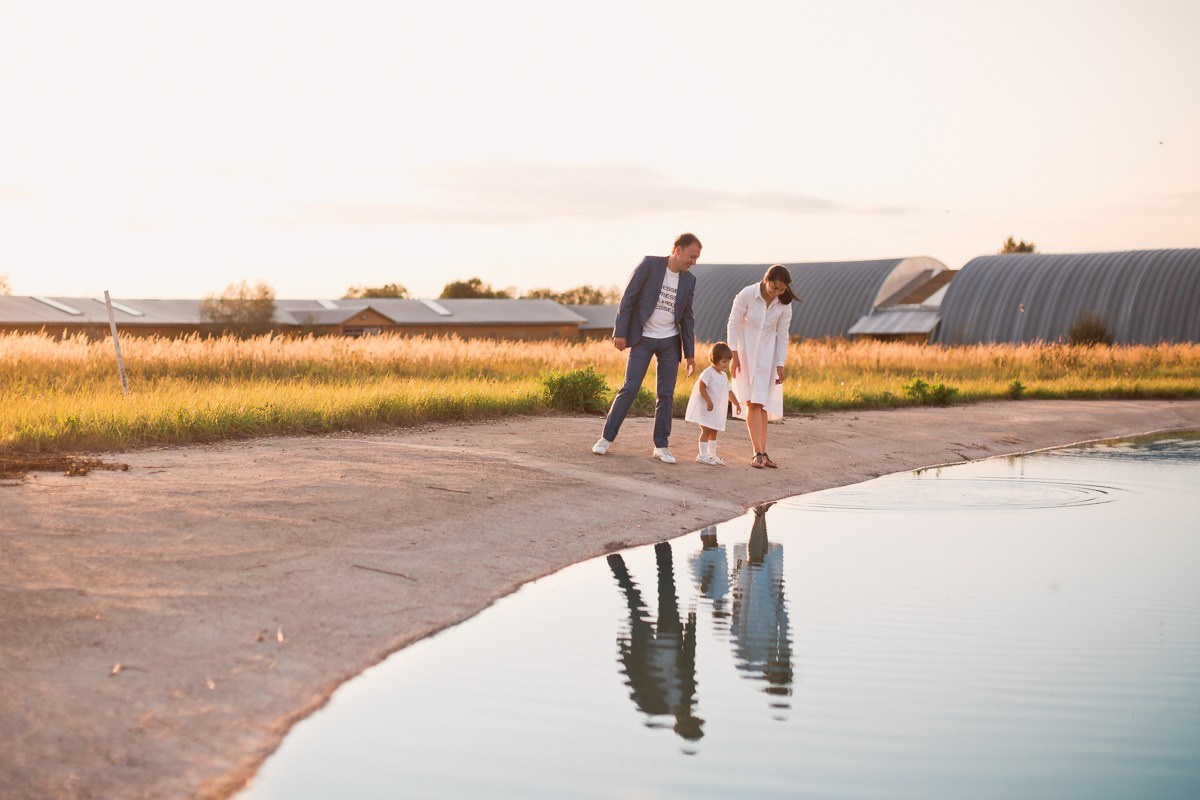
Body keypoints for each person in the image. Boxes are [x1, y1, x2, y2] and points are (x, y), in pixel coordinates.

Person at [592, 233, 699, 464]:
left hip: (671, 342)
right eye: (692, 256)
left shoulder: (689, 280)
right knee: (630, 388)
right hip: (643, 338)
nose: (694, 262)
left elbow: (687, 317)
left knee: (666, 394)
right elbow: (627, 298)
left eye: (697, 258)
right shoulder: (650, 264)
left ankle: (661, 445)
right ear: (678, 250)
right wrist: (619, 332)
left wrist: (690, 354)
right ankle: (605, 438)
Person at [727, 264, 796, 469]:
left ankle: (763, 452)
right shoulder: (747, 294)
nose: (777, 293)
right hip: (745, 354)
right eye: (775, 288)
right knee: (752, 403)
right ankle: (757, 452)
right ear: (766, 280)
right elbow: (732, 323)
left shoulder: (784, 303)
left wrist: (780, 364)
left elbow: (783, 335)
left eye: (782, 290)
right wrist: (734, 355)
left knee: (762, 403)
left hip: (768, 356)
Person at [683, 341, 741, 465]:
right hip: (707, 408)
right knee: (706, 430)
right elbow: (701, 387)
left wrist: (736, 403)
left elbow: (729, 391)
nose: (727, 364)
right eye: (724, 361)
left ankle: (712, 455)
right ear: (715, 359)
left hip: (716, 411)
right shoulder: (708, 373)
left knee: (714, 431)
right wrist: (708, 401)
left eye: (728, 361)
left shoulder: (723, 376)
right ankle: (702, 455)